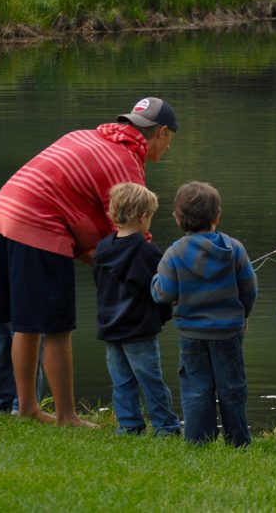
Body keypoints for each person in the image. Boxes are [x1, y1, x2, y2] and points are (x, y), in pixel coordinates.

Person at [0, 97, 178, 425]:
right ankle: (66, 415)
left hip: (6, 210)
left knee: (25, 323)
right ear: (161, 132)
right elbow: (132, 236)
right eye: (169, 140)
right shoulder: (125, 161)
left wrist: (99, 255)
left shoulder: (87, 136)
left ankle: (27, 408)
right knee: (56, 326)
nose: (167, 148)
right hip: (37, 222)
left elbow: (92, 213)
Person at [151, 181, 257, 447]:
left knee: (196, 388)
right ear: (217, 217)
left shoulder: (174, 253)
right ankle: (238, 440)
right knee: (232, 387)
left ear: (177, 218)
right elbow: (249, 288)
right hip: (229, 333)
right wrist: (244, 313)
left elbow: (163, 293)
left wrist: (155, 283)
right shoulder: (234, 249)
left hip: (191, 334)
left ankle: (199, 441)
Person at [93, 182, 180, 436]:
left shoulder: (103, 249)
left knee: (122, 380)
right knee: (151, 379)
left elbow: (101, 286)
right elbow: (159, 290)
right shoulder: (146, 252)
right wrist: (165, 315)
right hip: (139, 328)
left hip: (110, 327)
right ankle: (166, 425)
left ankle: (128, 425)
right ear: (144, 217)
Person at [0, 243, 44, 414]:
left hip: (1, 300)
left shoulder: (4, 229)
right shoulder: (33, 232)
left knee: (0, 351)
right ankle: (23, 404)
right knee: (31, 352)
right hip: (29, 300)